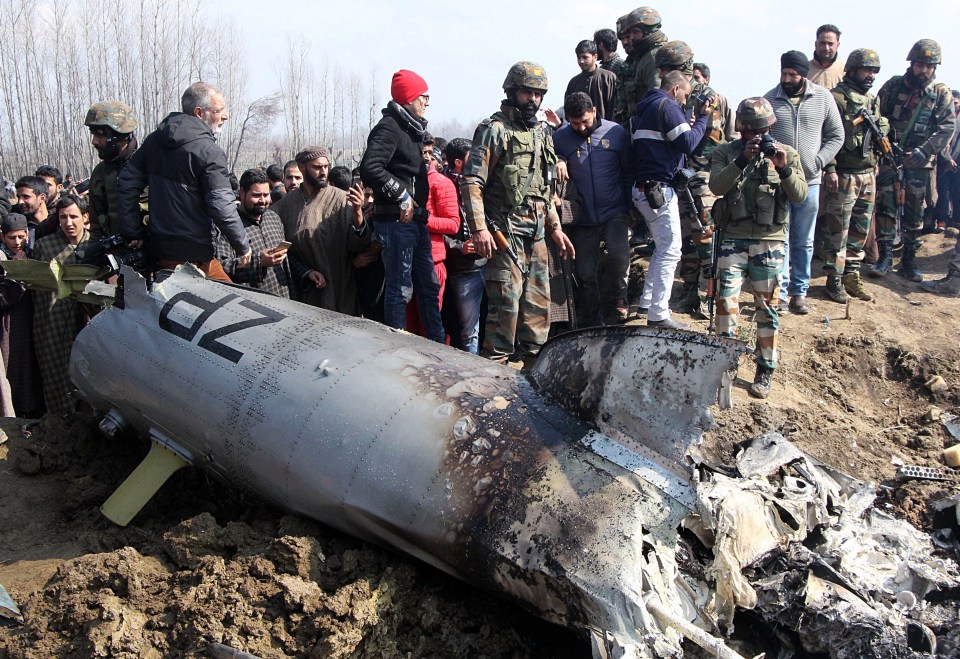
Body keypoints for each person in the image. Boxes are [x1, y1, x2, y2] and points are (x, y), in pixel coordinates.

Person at [462, 61, 575, 363]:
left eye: (539, 94)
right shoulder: (494, 130)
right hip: (505, 234)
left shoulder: (541, 133)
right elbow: (472, 181)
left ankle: (532, 375)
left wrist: (555, 227)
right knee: (504, 313)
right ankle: (493, 388)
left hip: (537, 235)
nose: (533, 100)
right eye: (527, 92)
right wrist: (479, 229)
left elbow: (545, 188)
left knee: (538, 313)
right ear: (512, 91)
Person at [709, 98, 808, 399]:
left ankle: (765, 369)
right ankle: (725, 366)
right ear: (740, 129)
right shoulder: (725, 152)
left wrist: (784, 168)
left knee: (767, 308)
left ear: (770, 128)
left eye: (761, 130)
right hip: (733, 239)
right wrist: (740, 161)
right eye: (750, 131)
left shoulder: (787, 154)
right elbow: (716, 187)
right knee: (726, 302)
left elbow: (800, 196)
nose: (755, 137)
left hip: (770, 240)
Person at [117, 81, 251, 281]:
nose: (225, 115)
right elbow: (221, 205)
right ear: (199, 112)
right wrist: (242, 246)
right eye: (219, 110)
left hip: (160, 251)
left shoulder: (154, 141)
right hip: (194, 256)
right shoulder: (209, 152)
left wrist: (133, 231)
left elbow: (126, 181)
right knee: (230, 306)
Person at [359, 69, 444, 342]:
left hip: (415, 222)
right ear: (409, 98)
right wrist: (402, 196)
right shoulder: (389, 127)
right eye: (424, 97)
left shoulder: (413, 128)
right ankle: (397, 348)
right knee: (400, 289)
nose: (427, 102)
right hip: (396, 221)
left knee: (429, 287)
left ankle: (436, 343)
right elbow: (370, 167)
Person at [629, 70, 711, 329]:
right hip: (659, 190)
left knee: (662, 246)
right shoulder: (667, 106)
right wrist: (703, 121)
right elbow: (688, 143)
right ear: (676, 89)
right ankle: (658, 314)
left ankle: (647, 301)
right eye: (685, 96)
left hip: (643, 189)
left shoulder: (645, 107)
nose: (685, 102)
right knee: (671, 250)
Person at [764, 50, 843, 314]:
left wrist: (818, 161)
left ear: (803, 75)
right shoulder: (769, 99)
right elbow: (761, 135)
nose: (787, 78)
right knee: (780, 240)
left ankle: (800, 292)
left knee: (804, 241)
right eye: (784, 73)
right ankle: (781, 294)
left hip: (810, 182)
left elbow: (836, 135)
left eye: (792, 74)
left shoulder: (822, 98)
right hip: (779, 182)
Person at [871, 39, 956, 281]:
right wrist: (884, 144)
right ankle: (885, 257)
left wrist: (925, 150)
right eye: (920, 64)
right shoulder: (894, 86)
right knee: (885, 205)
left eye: (930, 66)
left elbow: (947, 127)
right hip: (891, 156)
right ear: (912, 63)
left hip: (920, 162)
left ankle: (909, 260)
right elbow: (877, 116)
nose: (925, 70)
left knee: (915, 211)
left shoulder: (940, 93)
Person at [553, 92, 631, 326]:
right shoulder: (561, 138)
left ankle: (620, 300)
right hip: (582, 217)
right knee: (586, 273)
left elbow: (627, 171)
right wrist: (559, 159)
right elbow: (551, 158)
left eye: (585, 121)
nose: (581, 128)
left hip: (614, 211)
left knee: (619, 257)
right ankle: (592, 320)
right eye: (575, 123)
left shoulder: (615, 133)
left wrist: (630, 207)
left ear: (594, 111)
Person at [821, 49, 888, 304]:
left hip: (867, 173)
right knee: (839, 231)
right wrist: (830, 169)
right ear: (852, 69)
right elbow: (828, 137)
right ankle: (833, 280)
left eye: (874, 71)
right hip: (844, 174)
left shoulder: (871, 100)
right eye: (866, 69)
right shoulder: (836, 98)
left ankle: (851, 275)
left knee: (859, 231)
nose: (871, 75)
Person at [273, 146, 369, 312]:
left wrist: (358, 213)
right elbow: (283, 249)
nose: (324, 172)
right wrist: (306, 272)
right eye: (317, 167)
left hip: (339, 290)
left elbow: (358, 245)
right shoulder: (285, 205)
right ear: (302, 167)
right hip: (304, 291)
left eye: (326, 167)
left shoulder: (341, 199)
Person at [32, 195, 91, 414]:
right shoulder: (45, 246)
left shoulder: (96, 244)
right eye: (63, 217)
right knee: (57, 375)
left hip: (90, 324)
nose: (68, 222)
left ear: (85, 217)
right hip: (52, 325)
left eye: (74, 216)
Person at [214, 169, 296, 298]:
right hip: (252, 305)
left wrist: (306, 272)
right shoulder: (229, 225)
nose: (262, 200)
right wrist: (259, 262)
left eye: (266, 194)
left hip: (283, 299)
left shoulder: (273, 218)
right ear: (242, 193)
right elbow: (221, 268)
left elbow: (287, 260)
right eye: (257, 195)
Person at [406, 144, 460, 336]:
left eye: (430, 152)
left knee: (429, 327)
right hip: (403, 262)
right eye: (422, 152)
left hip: (432, 263)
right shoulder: (401, 182)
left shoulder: (440, 183)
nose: (427, 157)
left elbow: (453, 224)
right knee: (406, 328)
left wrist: (422, 218)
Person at [441, 138, 486, 354]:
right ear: (458, 162)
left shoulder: (481, 184)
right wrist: (459, 247)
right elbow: (435, 229)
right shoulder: (442, 186)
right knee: (469, 330)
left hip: (489, 262)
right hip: (463, 268)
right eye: (471, 157)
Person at [0, 213, 44, 418]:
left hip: (33, 319)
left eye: (21, 237)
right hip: (9, 324)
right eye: (11, 238)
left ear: (27, 234)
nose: (17, 242)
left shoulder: (34, 253)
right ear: (3, 237)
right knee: (15, 369)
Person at [84, 100, 140, 240]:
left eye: (101, 134)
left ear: (119, 135)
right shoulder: (100, 173)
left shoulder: (149, 166)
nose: (94, 141)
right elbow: (96, 225)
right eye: (93, 134)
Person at [612, 7, 667, 127]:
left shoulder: (653, 57)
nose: (628, 40)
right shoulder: (633, 63)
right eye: (623, 38)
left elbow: (657, 99)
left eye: (632, 33)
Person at [564, 40, 618, 121]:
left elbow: (616, 107)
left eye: (585, 57)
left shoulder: (608, 78)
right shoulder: (574, 82)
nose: (581, 61)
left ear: (595, 57)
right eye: (579, 58)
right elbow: (568, 111)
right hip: (579, 130)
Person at [935, 90, 960, 231]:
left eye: (956, 102)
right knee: (943, 192)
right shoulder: (942, 116)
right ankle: (942, 221)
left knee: (957, 191)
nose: (953, 105)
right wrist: (947, 159)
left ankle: (956, 220)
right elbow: (939, 140)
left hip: (958, 161)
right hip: (943, 160)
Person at [16, 176, 56, 249]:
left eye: (26, 197)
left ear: (42, 198)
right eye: (18, 197)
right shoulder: (18, 227)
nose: (20, 202)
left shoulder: (57, 224)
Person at [808, 24, 844, 90]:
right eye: (822, 43)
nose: (826, 48)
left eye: (830, 44)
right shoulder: (804, 70)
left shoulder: (845, 70)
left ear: (838, 45)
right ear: (816, 44)